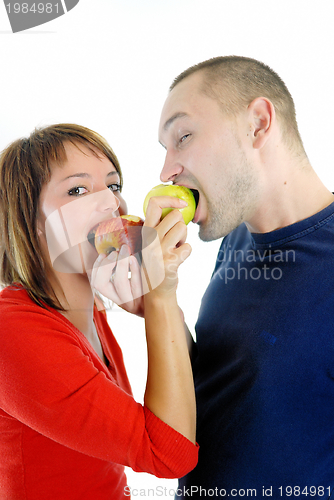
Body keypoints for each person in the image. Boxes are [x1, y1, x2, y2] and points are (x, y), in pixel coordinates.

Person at [158, 56, 334, 498]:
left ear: (257, 123)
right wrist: (157, 303)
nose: (167, 172)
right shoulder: (235, 239)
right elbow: (225, 385)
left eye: (183, 137)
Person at [0, 123, 198, 500]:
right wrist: (159, 294)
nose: (111, 202)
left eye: (113, 185)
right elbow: (169, 454)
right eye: (77, 190)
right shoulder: (11, 331)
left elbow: (186, 401)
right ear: (32, 221)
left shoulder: (91, 315)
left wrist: (157, 306)